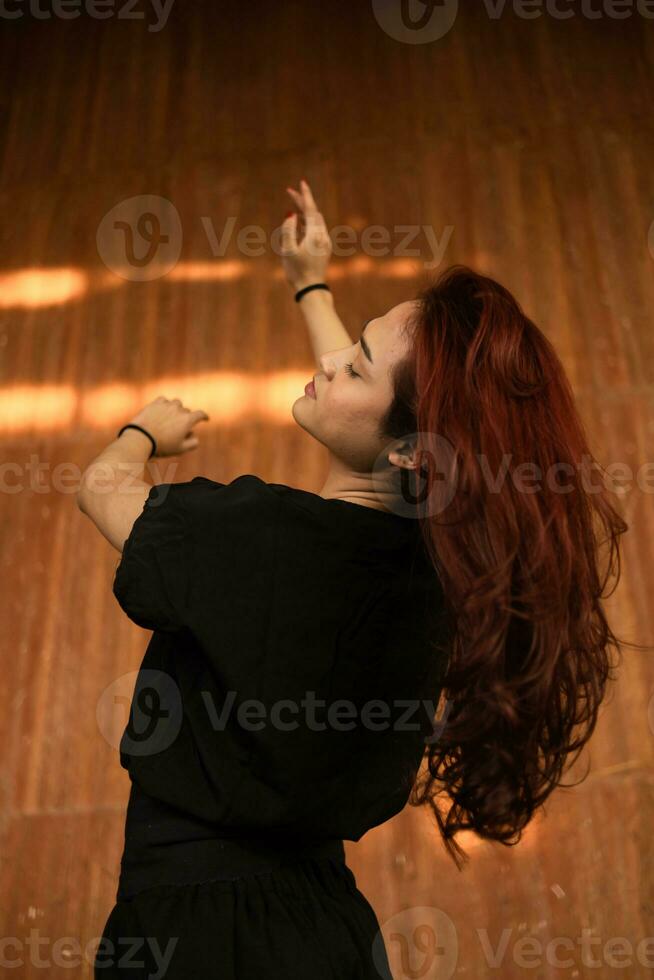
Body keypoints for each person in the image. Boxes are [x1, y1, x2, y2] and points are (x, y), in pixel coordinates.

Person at [79, 180, 629, 978]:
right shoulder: (440, 582)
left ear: (409, 449)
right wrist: (311, 282)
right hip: (328, 936)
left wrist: (142, 432)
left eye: (357, 363)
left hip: (193, 939)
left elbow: (101, 490)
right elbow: (379, 412)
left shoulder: (253, 536)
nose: (333, 364)